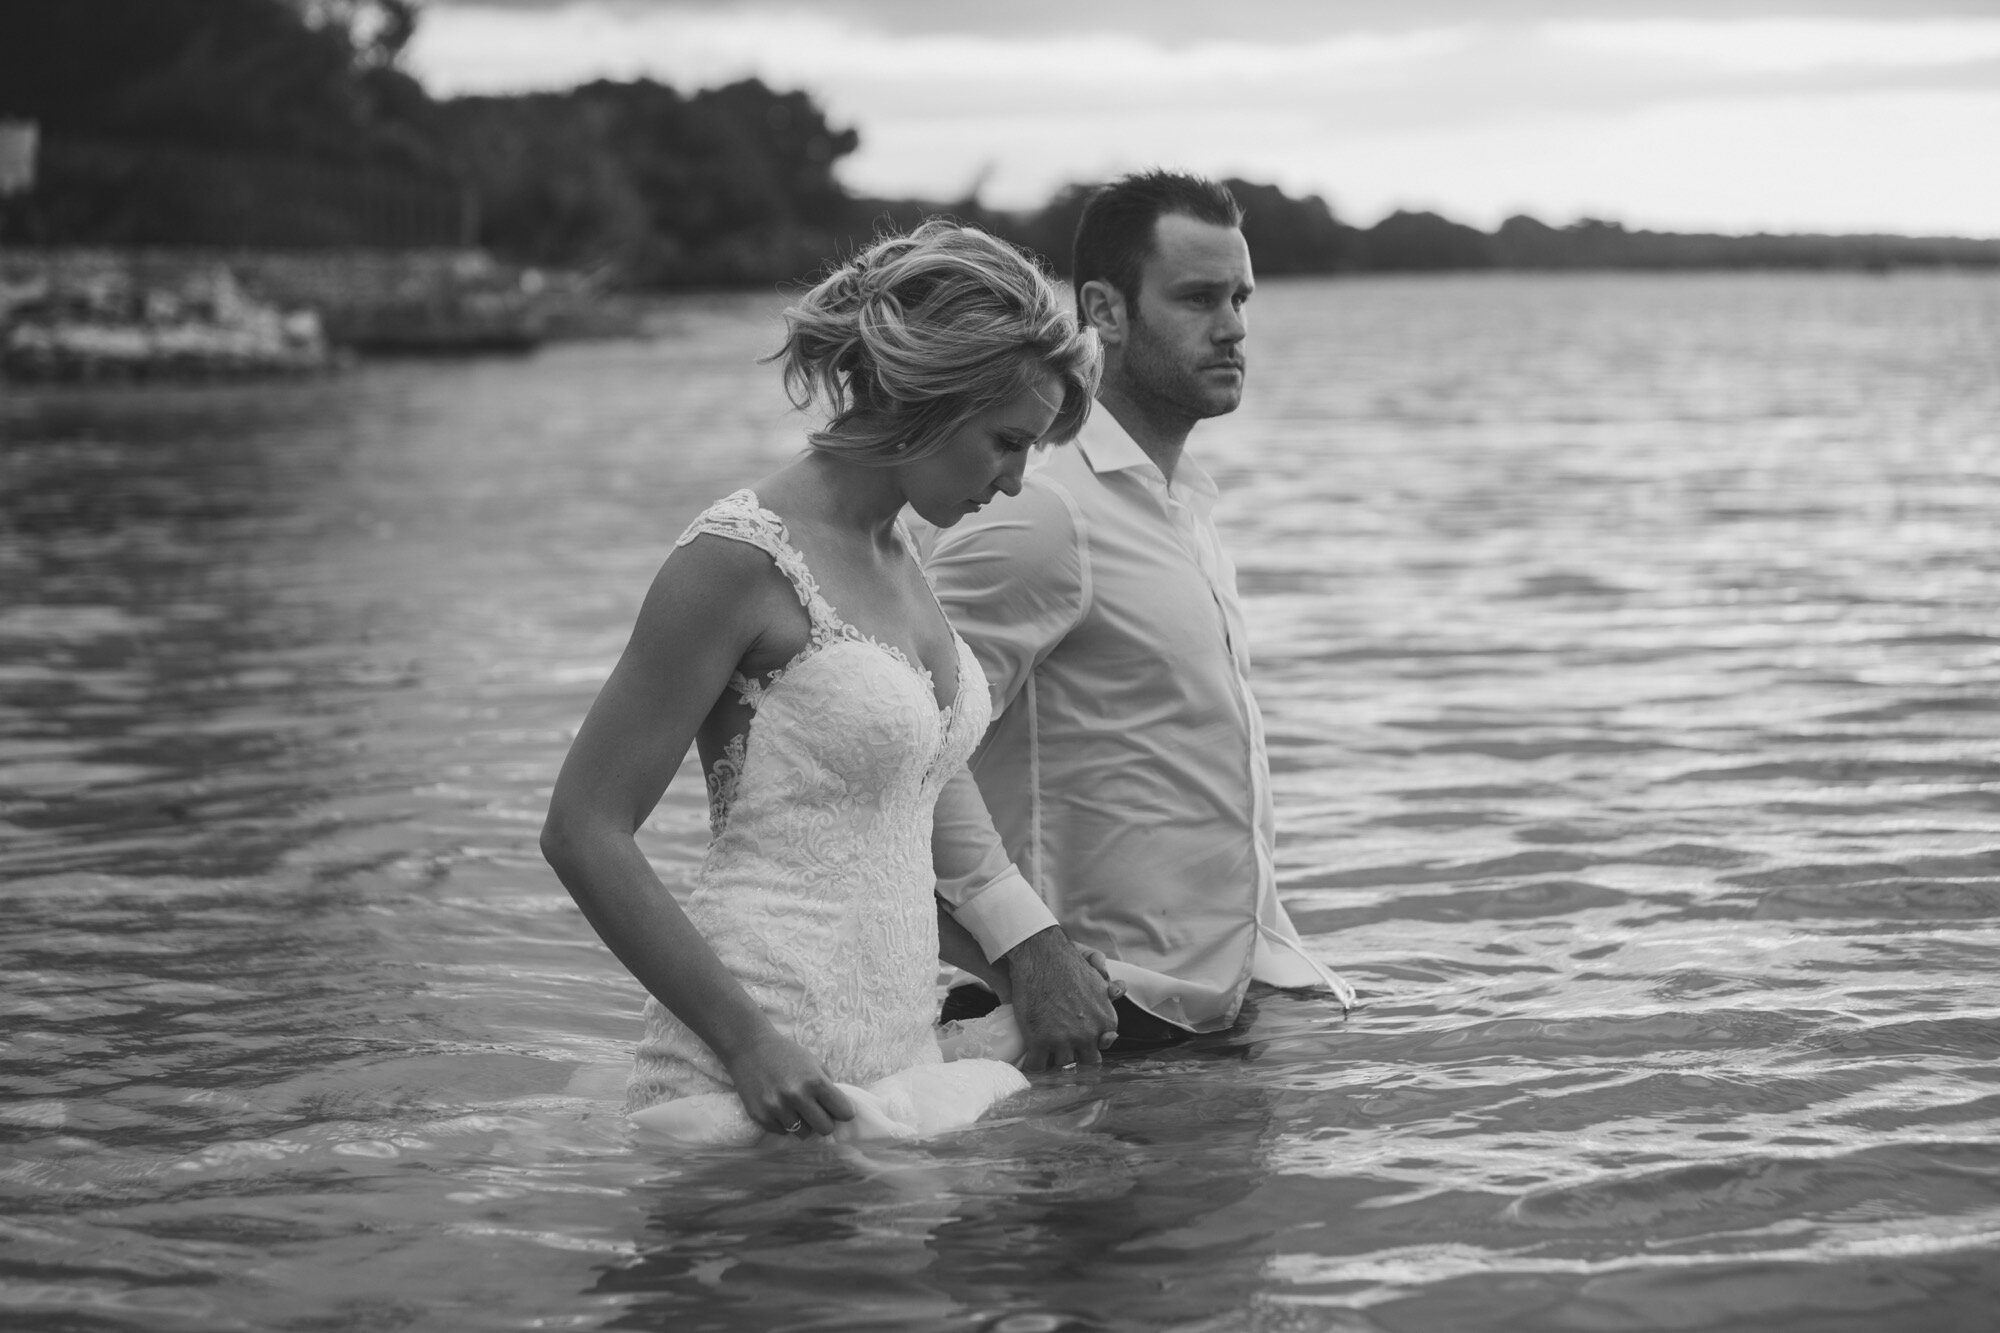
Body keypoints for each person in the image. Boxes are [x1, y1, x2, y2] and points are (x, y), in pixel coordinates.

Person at [539, 220, 1116, 1143]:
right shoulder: (737, 557)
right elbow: (582, 830)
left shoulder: (905, 554)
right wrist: (747, 1043)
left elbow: (876, 839)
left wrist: (1019, 961)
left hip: (899, 1054)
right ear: (932, 394)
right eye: (1007, 441)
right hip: (757, 1073)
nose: (1013, 482)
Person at [924, 171, 1357, 1051]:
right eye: (1198, 298)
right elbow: (911, 748)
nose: (1233, 327)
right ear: (1105, 311)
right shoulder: (1042, 507)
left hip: (1210, 1009)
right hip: (1090, 1023)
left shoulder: (1183, 506)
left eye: (1240, 297)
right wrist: (1026, 947)